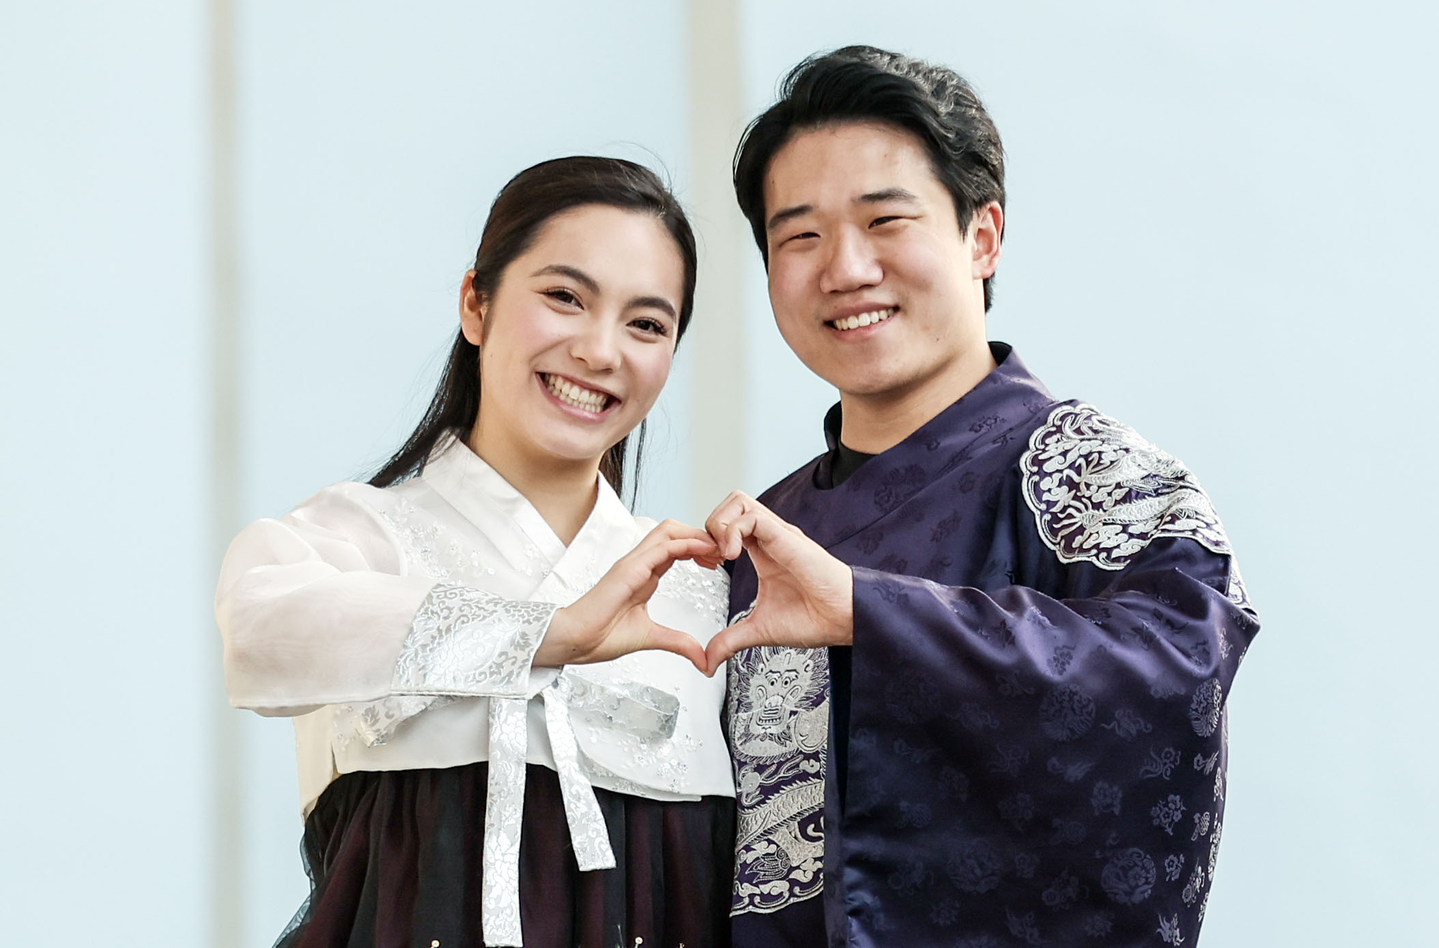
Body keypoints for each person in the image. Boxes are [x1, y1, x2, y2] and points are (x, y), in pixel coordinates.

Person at [701, 47, 1260, 947]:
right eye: (797, 235)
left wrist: (867, 613)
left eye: (886, 220)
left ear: (982, 236)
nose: (843, 268)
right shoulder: (760, 534)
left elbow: (1177, 669)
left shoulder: (1088, 473)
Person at [216, 156, 736, 948]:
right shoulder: (364, 535)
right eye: (565, 297)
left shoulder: (700, 590)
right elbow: (257, 624)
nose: (600, 351)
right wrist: (548, 635)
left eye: (646, 324)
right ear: (475, 303)